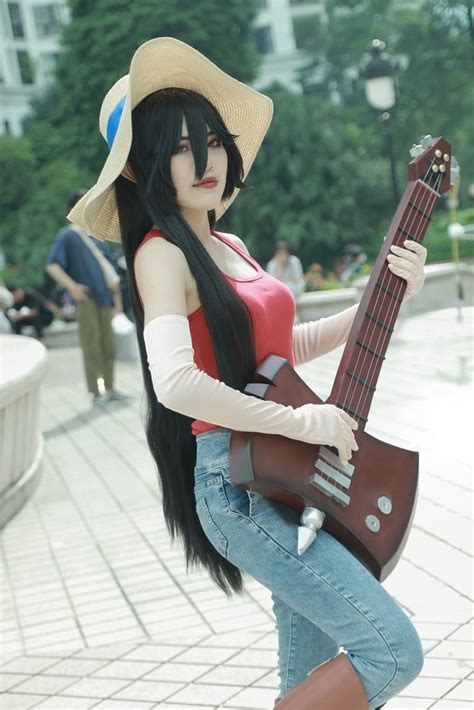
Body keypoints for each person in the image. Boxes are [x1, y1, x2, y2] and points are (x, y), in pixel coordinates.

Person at [67, 38, 428, 709]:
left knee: (307, 676)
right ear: (146, 167)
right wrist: (301, 419)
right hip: (238, 489)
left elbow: (276, 346)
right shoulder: (160, 255)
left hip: (282, 473)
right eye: (177, 148)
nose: (204, 159)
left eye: (210, 140)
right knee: (391, 649)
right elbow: (176, 383)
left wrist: (382, 300)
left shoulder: (226, 244)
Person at [45, 191, 125, 405]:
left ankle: (110, 389)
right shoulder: (68, 235)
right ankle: (96, 393)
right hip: (87, 299)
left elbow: (110, 275)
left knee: (109, 346)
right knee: (92, 346)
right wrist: (72, 287)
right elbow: (52, 264)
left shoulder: (98, 239)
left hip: (106, 299)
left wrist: (117, 302)